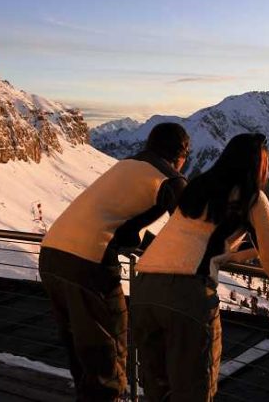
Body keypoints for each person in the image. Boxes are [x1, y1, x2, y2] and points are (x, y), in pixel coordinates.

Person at [132, 133, 269, 402]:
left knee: (157, 389)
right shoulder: (252, 198)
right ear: (258, 165)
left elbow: (206, 247)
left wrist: (250, 252)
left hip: (144, 288)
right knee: (194, 391)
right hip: (188, 295)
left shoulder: (198, 189)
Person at [39, 122, 190, 402]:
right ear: (182, 155)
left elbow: (122, 223)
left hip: (51, 255)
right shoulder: (170, 178)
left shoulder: (126, 165)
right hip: (88, 264)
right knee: (108, 358)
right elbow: (194, 227)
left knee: (82, 355)